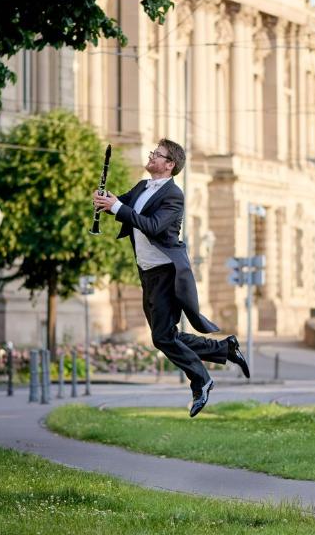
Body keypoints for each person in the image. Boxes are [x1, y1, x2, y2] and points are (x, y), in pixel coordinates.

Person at [92, 138, 249, 417]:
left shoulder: (173, 196)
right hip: (148, 272)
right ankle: (225, 348)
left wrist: (116, 207)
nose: (151, 156)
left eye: (157, 154)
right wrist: (105, 201)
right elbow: (123, 206)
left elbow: (152, 225)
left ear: (169, 164)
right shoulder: (143, 186)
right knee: (166, 336)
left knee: (162, 338)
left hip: (167, 271)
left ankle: (201, 380)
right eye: (153, 152)